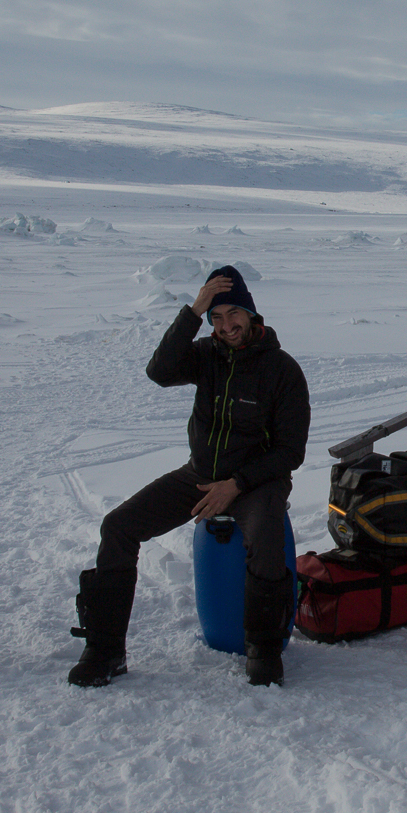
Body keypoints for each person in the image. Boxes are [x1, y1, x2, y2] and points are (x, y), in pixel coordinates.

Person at [67, 266, 310, 688]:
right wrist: (192, 312)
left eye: (233, 314)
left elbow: (290, 451)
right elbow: (159, 372)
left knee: (267, 538)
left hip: (255, 483)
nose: (226, 326)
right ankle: (105, 650)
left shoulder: (282, 370)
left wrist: (236, 484)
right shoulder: (205, 354)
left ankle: (264, 648)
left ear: (252, 314)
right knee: (118, 527)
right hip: (199, 475)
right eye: (216, 317)